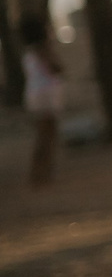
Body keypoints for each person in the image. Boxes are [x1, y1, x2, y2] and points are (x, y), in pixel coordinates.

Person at [21, 15, 63, 188]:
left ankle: (40, 173)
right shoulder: (42, 49)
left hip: (36, 94)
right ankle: (41, 173)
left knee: (43, 135)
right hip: (45, 95)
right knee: (47, 135)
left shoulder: (28, 51)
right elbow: (56, 68)